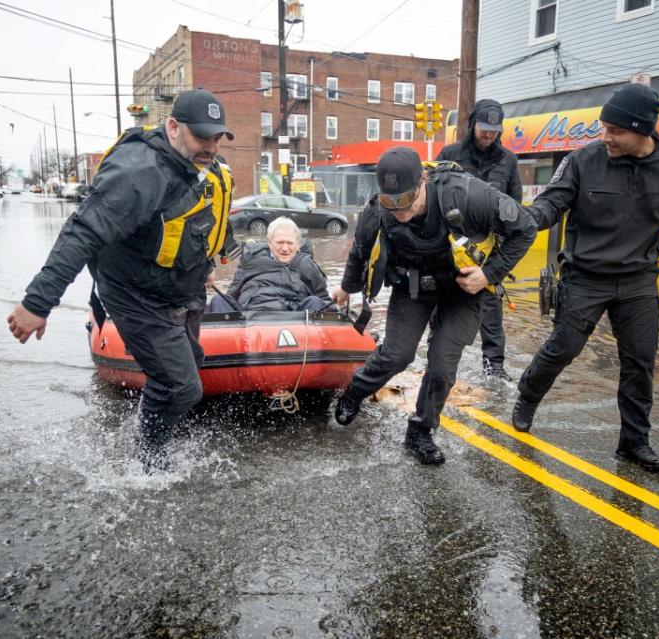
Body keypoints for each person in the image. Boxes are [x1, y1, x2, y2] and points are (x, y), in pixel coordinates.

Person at [6, 88, 237, 471]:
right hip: (136, 295)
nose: (211, 147)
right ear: (173, 127)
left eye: (217, 137)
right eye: (202, 136)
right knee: (180, 385)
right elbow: (81, 233)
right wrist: (37, 304)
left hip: (182, 288)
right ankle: (148, 466)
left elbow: (203, 215)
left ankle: (151, 432)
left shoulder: (199, 164)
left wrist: (214, 253)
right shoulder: (137, 174)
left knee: (189, 369)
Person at [511, 83, 659, 472]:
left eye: (615, 131)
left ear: (644, 130)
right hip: (585, 277)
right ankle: (527, 396)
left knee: (640, 361)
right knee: (564, 347)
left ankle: (634, 443)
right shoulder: (584, 159)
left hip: (638, 280)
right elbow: (552, 201)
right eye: (603, 128)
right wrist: (529, 219)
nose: (606, 137)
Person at [332, 147, 537, 465]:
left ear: (423, 180)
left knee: (442, 365)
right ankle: (354, 393)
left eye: (406, 200)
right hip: (411, 286)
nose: (399, 210)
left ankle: (420, 432)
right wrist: (346, 289)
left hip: (463, 290)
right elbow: (360, 250)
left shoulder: (468, 195)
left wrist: (488, 274)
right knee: (398, 354)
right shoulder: (379, 208)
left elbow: (525, 227)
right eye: (391, 201)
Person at [438, 99, 524, 380]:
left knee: (491, 310)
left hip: (487, 248)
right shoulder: (450, 154)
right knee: (443, 305)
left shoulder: (508, 161)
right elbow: (432, 194)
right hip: (450, 244)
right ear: (473, 124)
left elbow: (515, 206)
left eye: (494, 129)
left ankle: (494, 369)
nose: (488, 134)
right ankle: (437, 360)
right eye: (484, 128)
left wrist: (500, 250)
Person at [208, 216, 331, 312]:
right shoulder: (250, 260)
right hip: (249, 320)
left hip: (295, 322)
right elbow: (232, 295)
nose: (285, 248)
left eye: (290, 243)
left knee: (315, 301)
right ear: (270, 243)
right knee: (219, 300)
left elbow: (325, 301)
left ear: (297, 245)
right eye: (279, 242)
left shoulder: (307, 265)